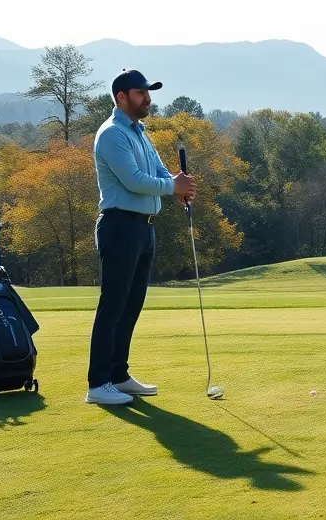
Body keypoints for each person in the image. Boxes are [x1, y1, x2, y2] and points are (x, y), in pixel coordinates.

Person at [86, 69, 196, 405]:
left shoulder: (139, 133)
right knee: (113, 305)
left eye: (148, 92)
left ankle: (118, 375)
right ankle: (97, 384)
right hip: (119, 225)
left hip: (143, 227)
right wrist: (171, 187)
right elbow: (134, 180)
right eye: (140, 92)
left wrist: (176, 184)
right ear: (122, 97)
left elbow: (159, 171)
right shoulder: (112, 134)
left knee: (131, 305)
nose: (147, 98)